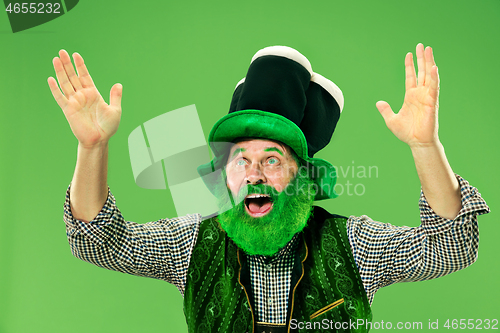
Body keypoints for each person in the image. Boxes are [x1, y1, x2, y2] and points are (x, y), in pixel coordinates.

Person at [48, 44, 489, 333]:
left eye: (272, 160)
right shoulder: (191, 243)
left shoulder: (355, 244)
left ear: (302, 176)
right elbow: (99, 242)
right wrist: (92, 147)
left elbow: (450, 247)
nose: (254, 174)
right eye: (241, 159)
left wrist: (425, 145)